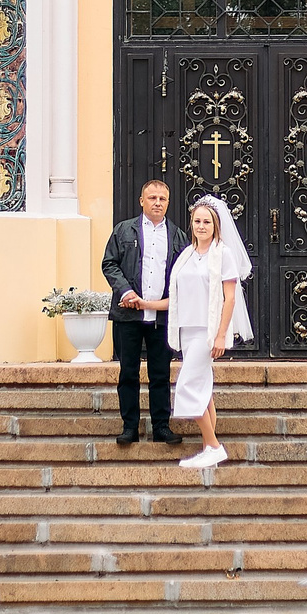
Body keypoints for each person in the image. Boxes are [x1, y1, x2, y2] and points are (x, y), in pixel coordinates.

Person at [155, 193, 253, 470]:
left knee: (188, 384)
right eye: (197, 221)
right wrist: (146, 303)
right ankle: (208, 446)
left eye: (206, 222)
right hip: (187, 328)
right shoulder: (187, 254)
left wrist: (221, 334)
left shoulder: (224, 254)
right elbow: (176, 295)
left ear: (215, 225)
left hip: (206, 330)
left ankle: (213, 446)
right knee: (203, 388)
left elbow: (230, 298)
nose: (201, 226)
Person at [100, 178, 187, 446]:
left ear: (168, 203)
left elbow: (183, 274)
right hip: (129, 316)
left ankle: (161, 426)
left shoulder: (178, 236)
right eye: (152, 198)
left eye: (162, 199)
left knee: (160, 373)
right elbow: (109, 263)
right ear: (142, 201)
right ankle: (130, 427)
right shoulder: (124, 231)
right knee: (128, 372)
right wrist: (125, 292)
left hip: (161, 318)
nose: (157, 203)